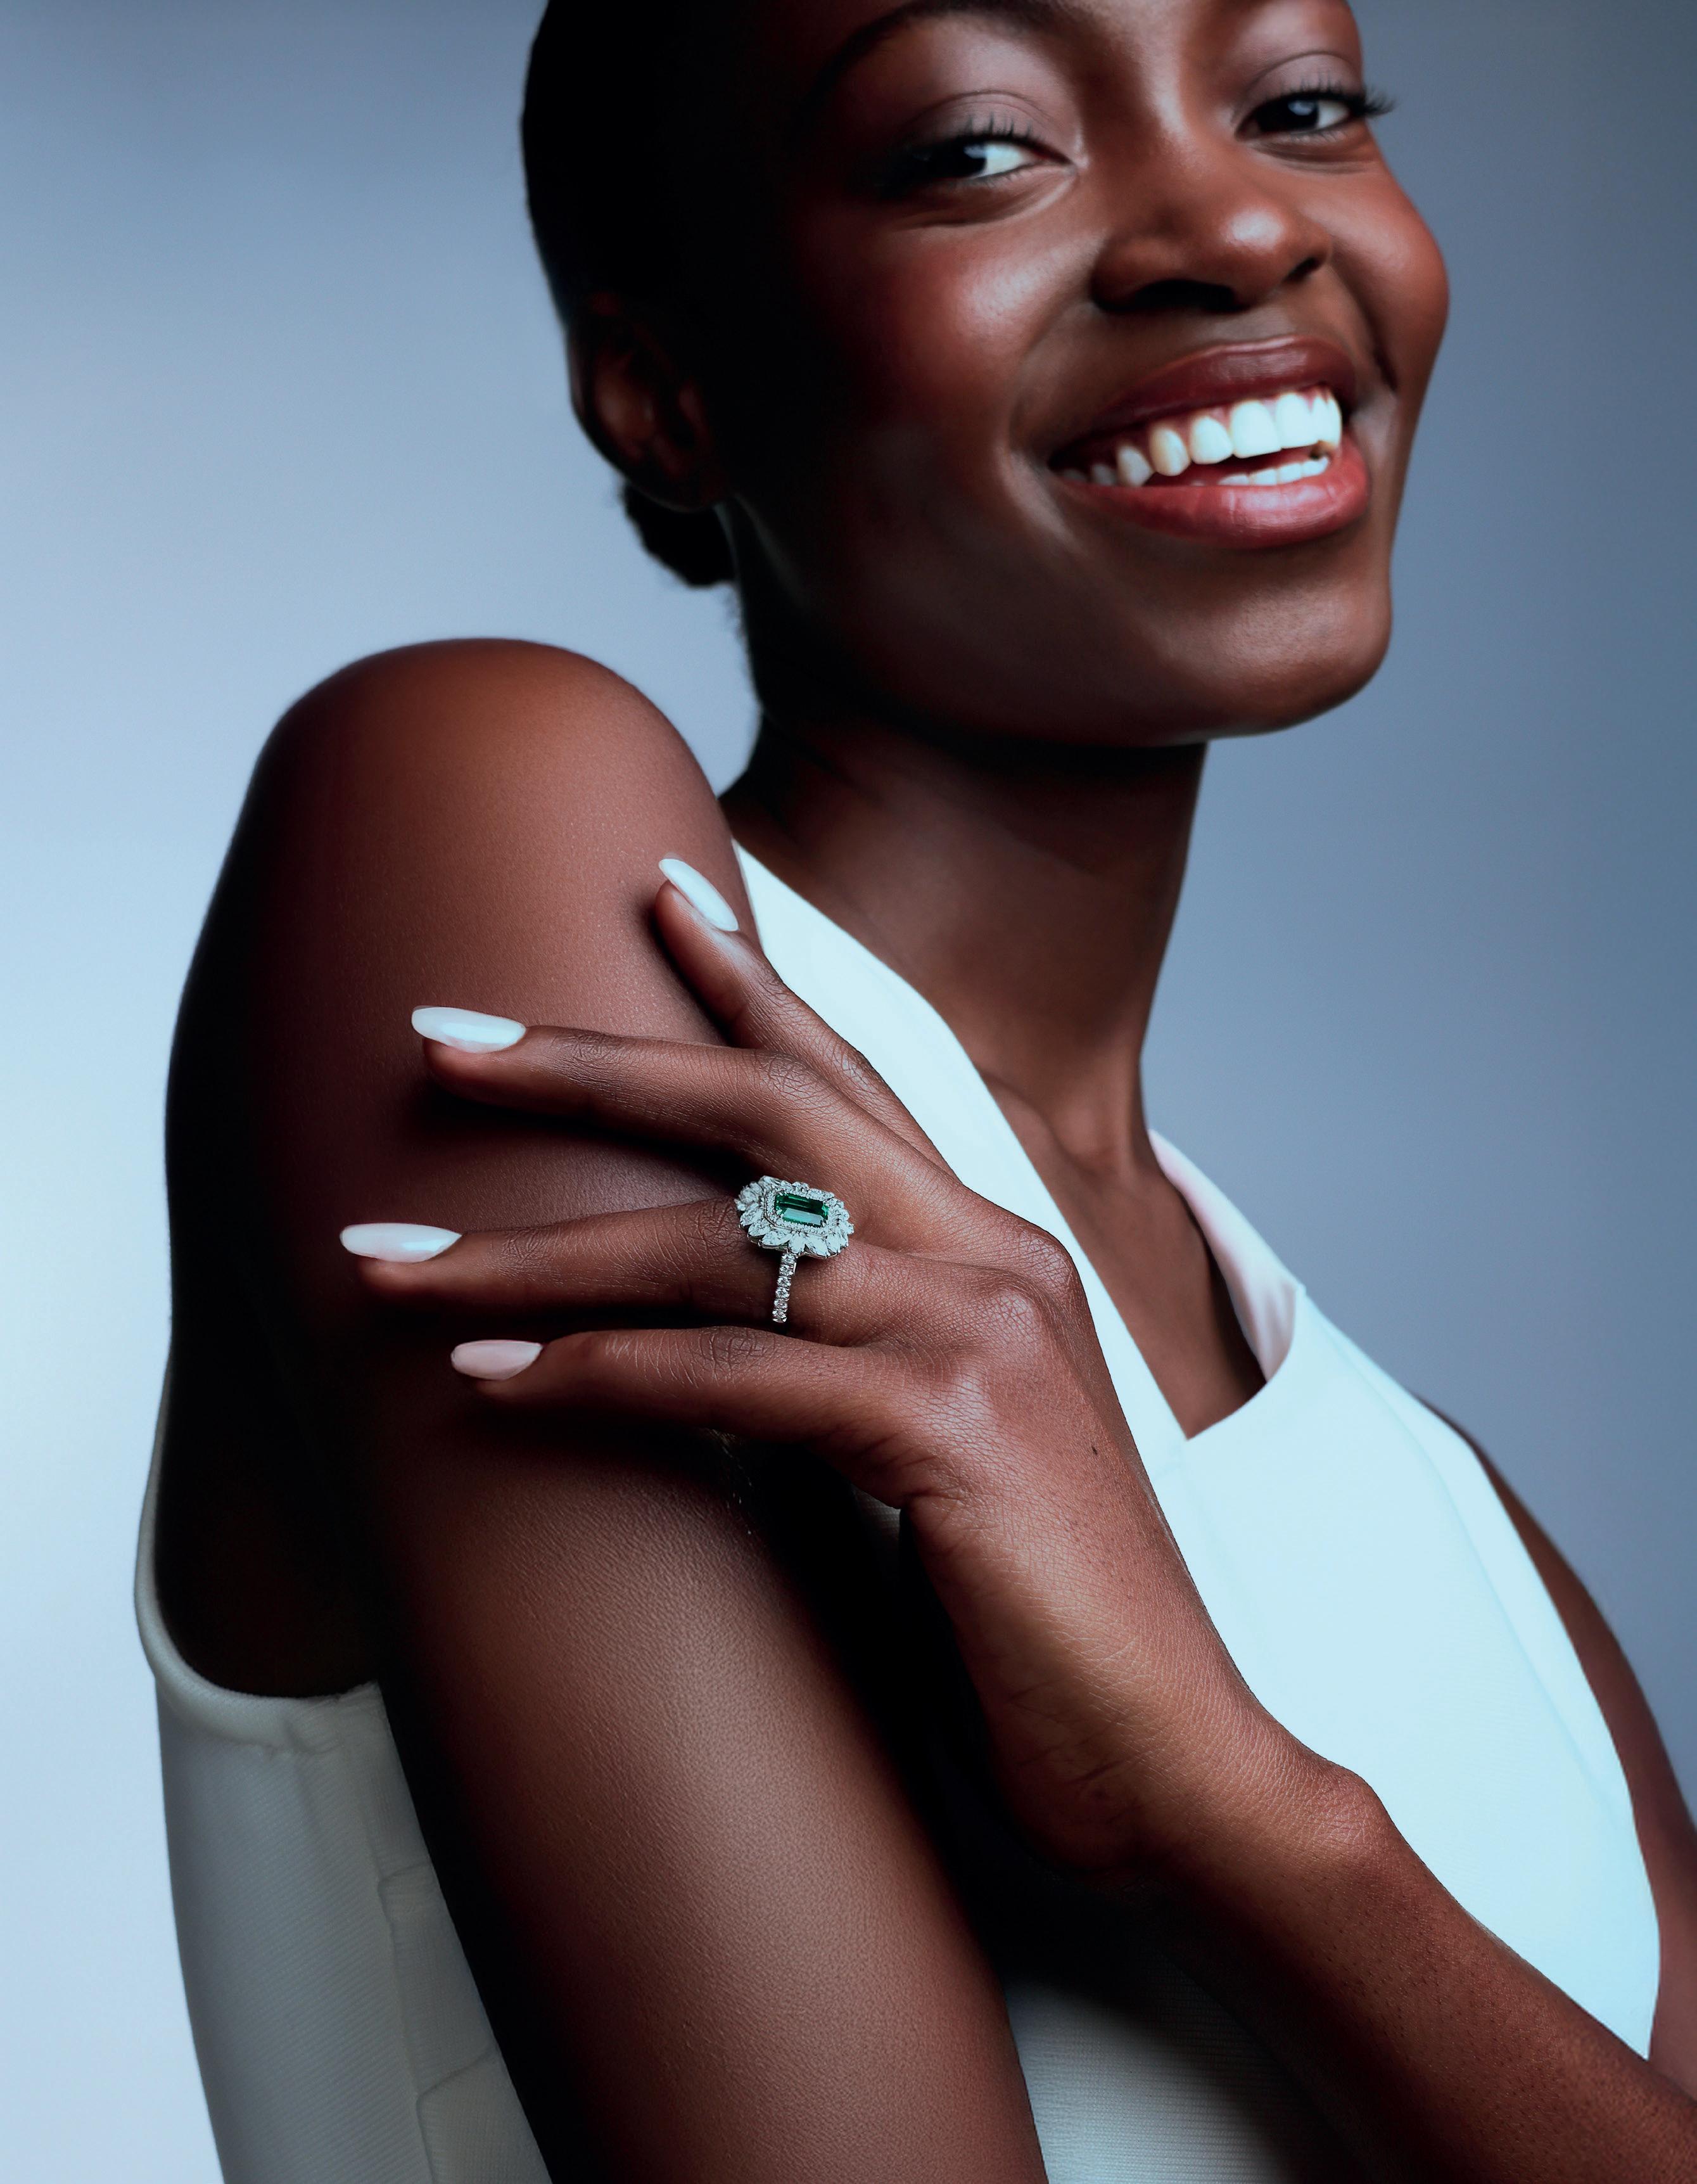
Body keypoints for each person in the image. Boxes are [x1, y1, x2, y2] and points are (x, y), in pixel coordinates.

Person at [138, 1, 1697, 2178]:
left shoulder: (1474, 1545)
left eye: (1304, 105)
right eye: (979, 145)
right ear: (664, 389)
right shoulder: (480, 822)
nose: (1239, 225)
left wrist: (1238, 1815)